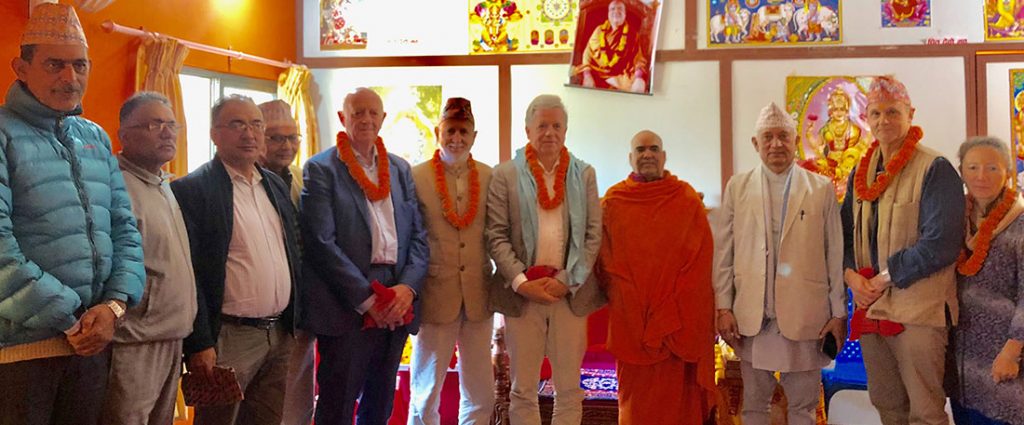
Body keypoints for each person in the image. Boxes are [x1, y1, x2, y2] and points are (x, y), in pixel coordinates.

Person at [0, 4, 145, 424]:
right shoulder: (4, 133)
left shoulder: (95, 137)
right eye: (54, 64)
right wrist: (73, 318)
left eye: (79, 65)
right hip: (21, 354)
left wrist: (114, 307)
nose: (70, 77)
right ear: (21, 68)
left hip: (91, 346)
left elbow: (125, 230)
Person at [840, 75, 965, 425]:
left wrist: (881, 280)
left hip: (919, 314)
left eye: (893, 112)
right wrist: (850, 275)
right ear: (866, 118)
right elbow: (844, 233)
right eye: (876, 113)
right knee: (887, 406)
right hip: (871, 309)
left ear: (911, 113)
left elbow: (940, 243)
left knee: (925, 412)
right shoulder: (860, 172)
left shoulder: (935, 168)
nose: (884, 121)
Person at [301, 87, 429, 425]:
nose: (366, 119)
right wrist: (368, 300)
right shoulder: (321, 168)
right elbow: (320, 242)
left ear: (383, 119)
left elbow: (418, 236)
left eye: (373, 113)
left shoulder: (400, 169)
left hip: (396, 294)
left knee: (381, 399)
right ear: (343, 118)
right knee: (338, 403)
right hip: (347, 301)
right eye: (358, 112)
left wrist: (407, 290)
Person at [713, 102, 846, 425]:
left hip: (806, 316)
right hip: (753, 317)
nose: (776, 144)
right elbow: (725, 252)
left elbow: (835, 254)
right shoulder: (738, 186)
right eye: (768, 137)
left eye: (784, 136)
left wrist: (838, 313)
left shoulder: (821, 188)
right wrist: (723, 306)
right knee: (753, 406)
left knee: (802, 408)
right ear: (755, 144)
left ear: (795, 141)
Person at [172, 95, 302, 425]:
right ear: (215, 134)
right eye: (237, 124)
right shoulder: (193, 190)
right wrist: (199, 342)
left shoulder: (273, 184)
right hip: (227, 338)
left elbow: (291, 252)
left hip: (279, 334)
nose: (249, 133)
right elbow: (190, 276)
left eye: (256, 124)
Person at [486, 94, 603, 425]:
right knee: (523, 388)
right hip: (523, 293)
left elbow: (593, 235)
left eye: (556, 126)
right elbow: (495, 235)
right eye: (542, 126)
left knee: (568, 387)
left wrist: (566, 280)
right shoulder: (505, 175)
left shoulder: (583, 174)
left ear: (566, 131)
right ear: (527, 130)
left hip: (569, 292)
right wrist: (522, 283)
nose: (549, 133)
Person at [596, 130, 717, 425]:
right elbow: (606, 263)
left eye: (653, 149)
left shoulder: (685, 199)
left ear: (664, 157)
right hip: (632, 323)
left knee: (680, 410)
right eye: (640, 149)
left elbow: (701, 261)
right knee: (637, 411)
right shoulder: (614, 201)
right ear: (630, 158)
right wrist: (634, 304)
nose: (647, 154)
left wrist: (668, 310)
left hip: (677, 325)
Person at [102, 92, 197, 425]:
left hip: (171, 336)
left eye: (172, 124)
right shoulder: (115, 187)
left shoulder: (164, 184)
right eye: (155, 124)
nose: (167, 132)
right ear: (124, 135)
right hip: (133, 342)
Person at [407, 97, 495, 425]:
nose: (456, 138)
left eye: (463, 131)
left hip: (478, 297)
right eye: (450, 130)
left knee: (480, 391)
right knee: (426, 389)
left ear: (474, 135)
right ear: (437, 131)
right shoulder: (415, 176)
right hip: (434, 295)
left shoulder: (490, 176)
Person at [949, 137, 1024, 425]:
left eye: (992, 168)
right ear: (962, 172)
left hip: (1003, 353)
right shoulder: (959, 219)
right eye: (973, 167)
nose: (981, 176)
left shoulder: (1019, 221)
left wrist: (1012, 352)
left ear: (1007, 172)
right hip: (963, 358)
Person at [256, 99, 314, 425]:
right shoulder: (238, 182)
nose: (287, 145)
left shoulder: (302, 178)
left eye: (293, 137)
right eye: (277, 137)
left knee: (298, 397)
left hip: (299, 312)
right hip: (251, 318)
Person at [572, 0, 649, 93]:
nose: (616, 11)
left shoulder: (632, 34)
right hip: (597, 74)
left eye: (620, 9)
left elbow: (638, 59)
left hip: (621, 76)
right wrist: (587, 75)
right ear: (608, 13)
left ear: (625, 14)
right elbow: (587, 55)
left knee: (637, 87)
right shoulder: (599, 31)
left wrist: (639, 77)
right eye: (612, 9)